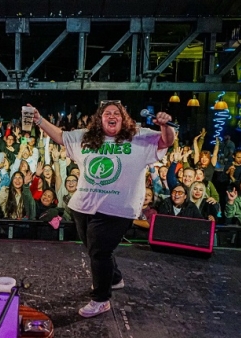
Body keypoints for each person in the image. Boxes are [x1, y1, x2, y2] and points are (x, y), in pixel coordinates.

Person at [31, 100, 175, 318]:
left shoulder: (137, 136)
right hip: (83, 205)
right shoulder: (86, 137)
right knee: (95, 249)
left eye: (116, 113)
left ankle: (101, 300)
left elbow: (165, 141)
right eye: (107, 113)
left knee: (99, 251)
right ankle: (114, 278)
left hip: (118, 208)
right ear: (100, 118)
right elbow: (61, 136)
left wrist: (165, 125)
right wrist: (39, 120)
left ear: (122, 118)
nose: (112, 115)